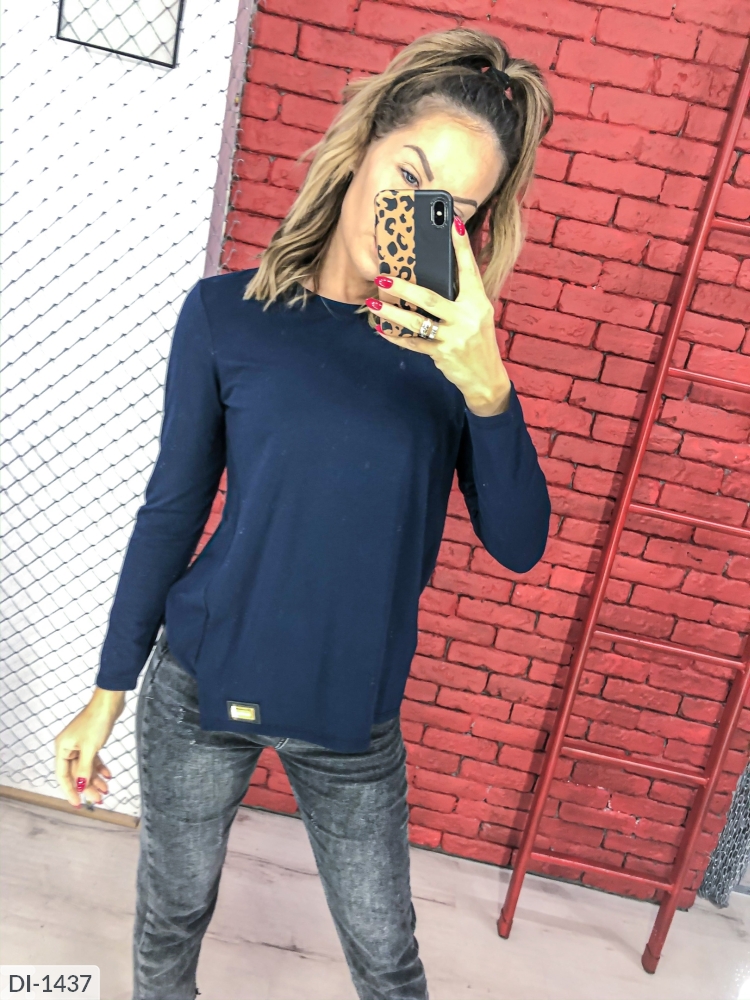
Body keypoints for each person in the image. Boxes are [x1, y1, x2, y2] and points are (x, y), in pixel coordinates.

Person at [53, 26, 553, 1000]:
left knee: (388, 961)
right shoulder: (225, 314)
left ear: (468, 228)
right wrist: (107, 691)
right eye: (409, 174)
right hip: (199, 687)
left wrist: (488, 384)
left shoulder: (455, 360)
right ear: (363, 145)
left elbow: (520, 544)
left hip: (351, 719)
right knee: (169, 922)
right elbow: (171, 512)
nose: (416, 211)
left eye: (450, 207)